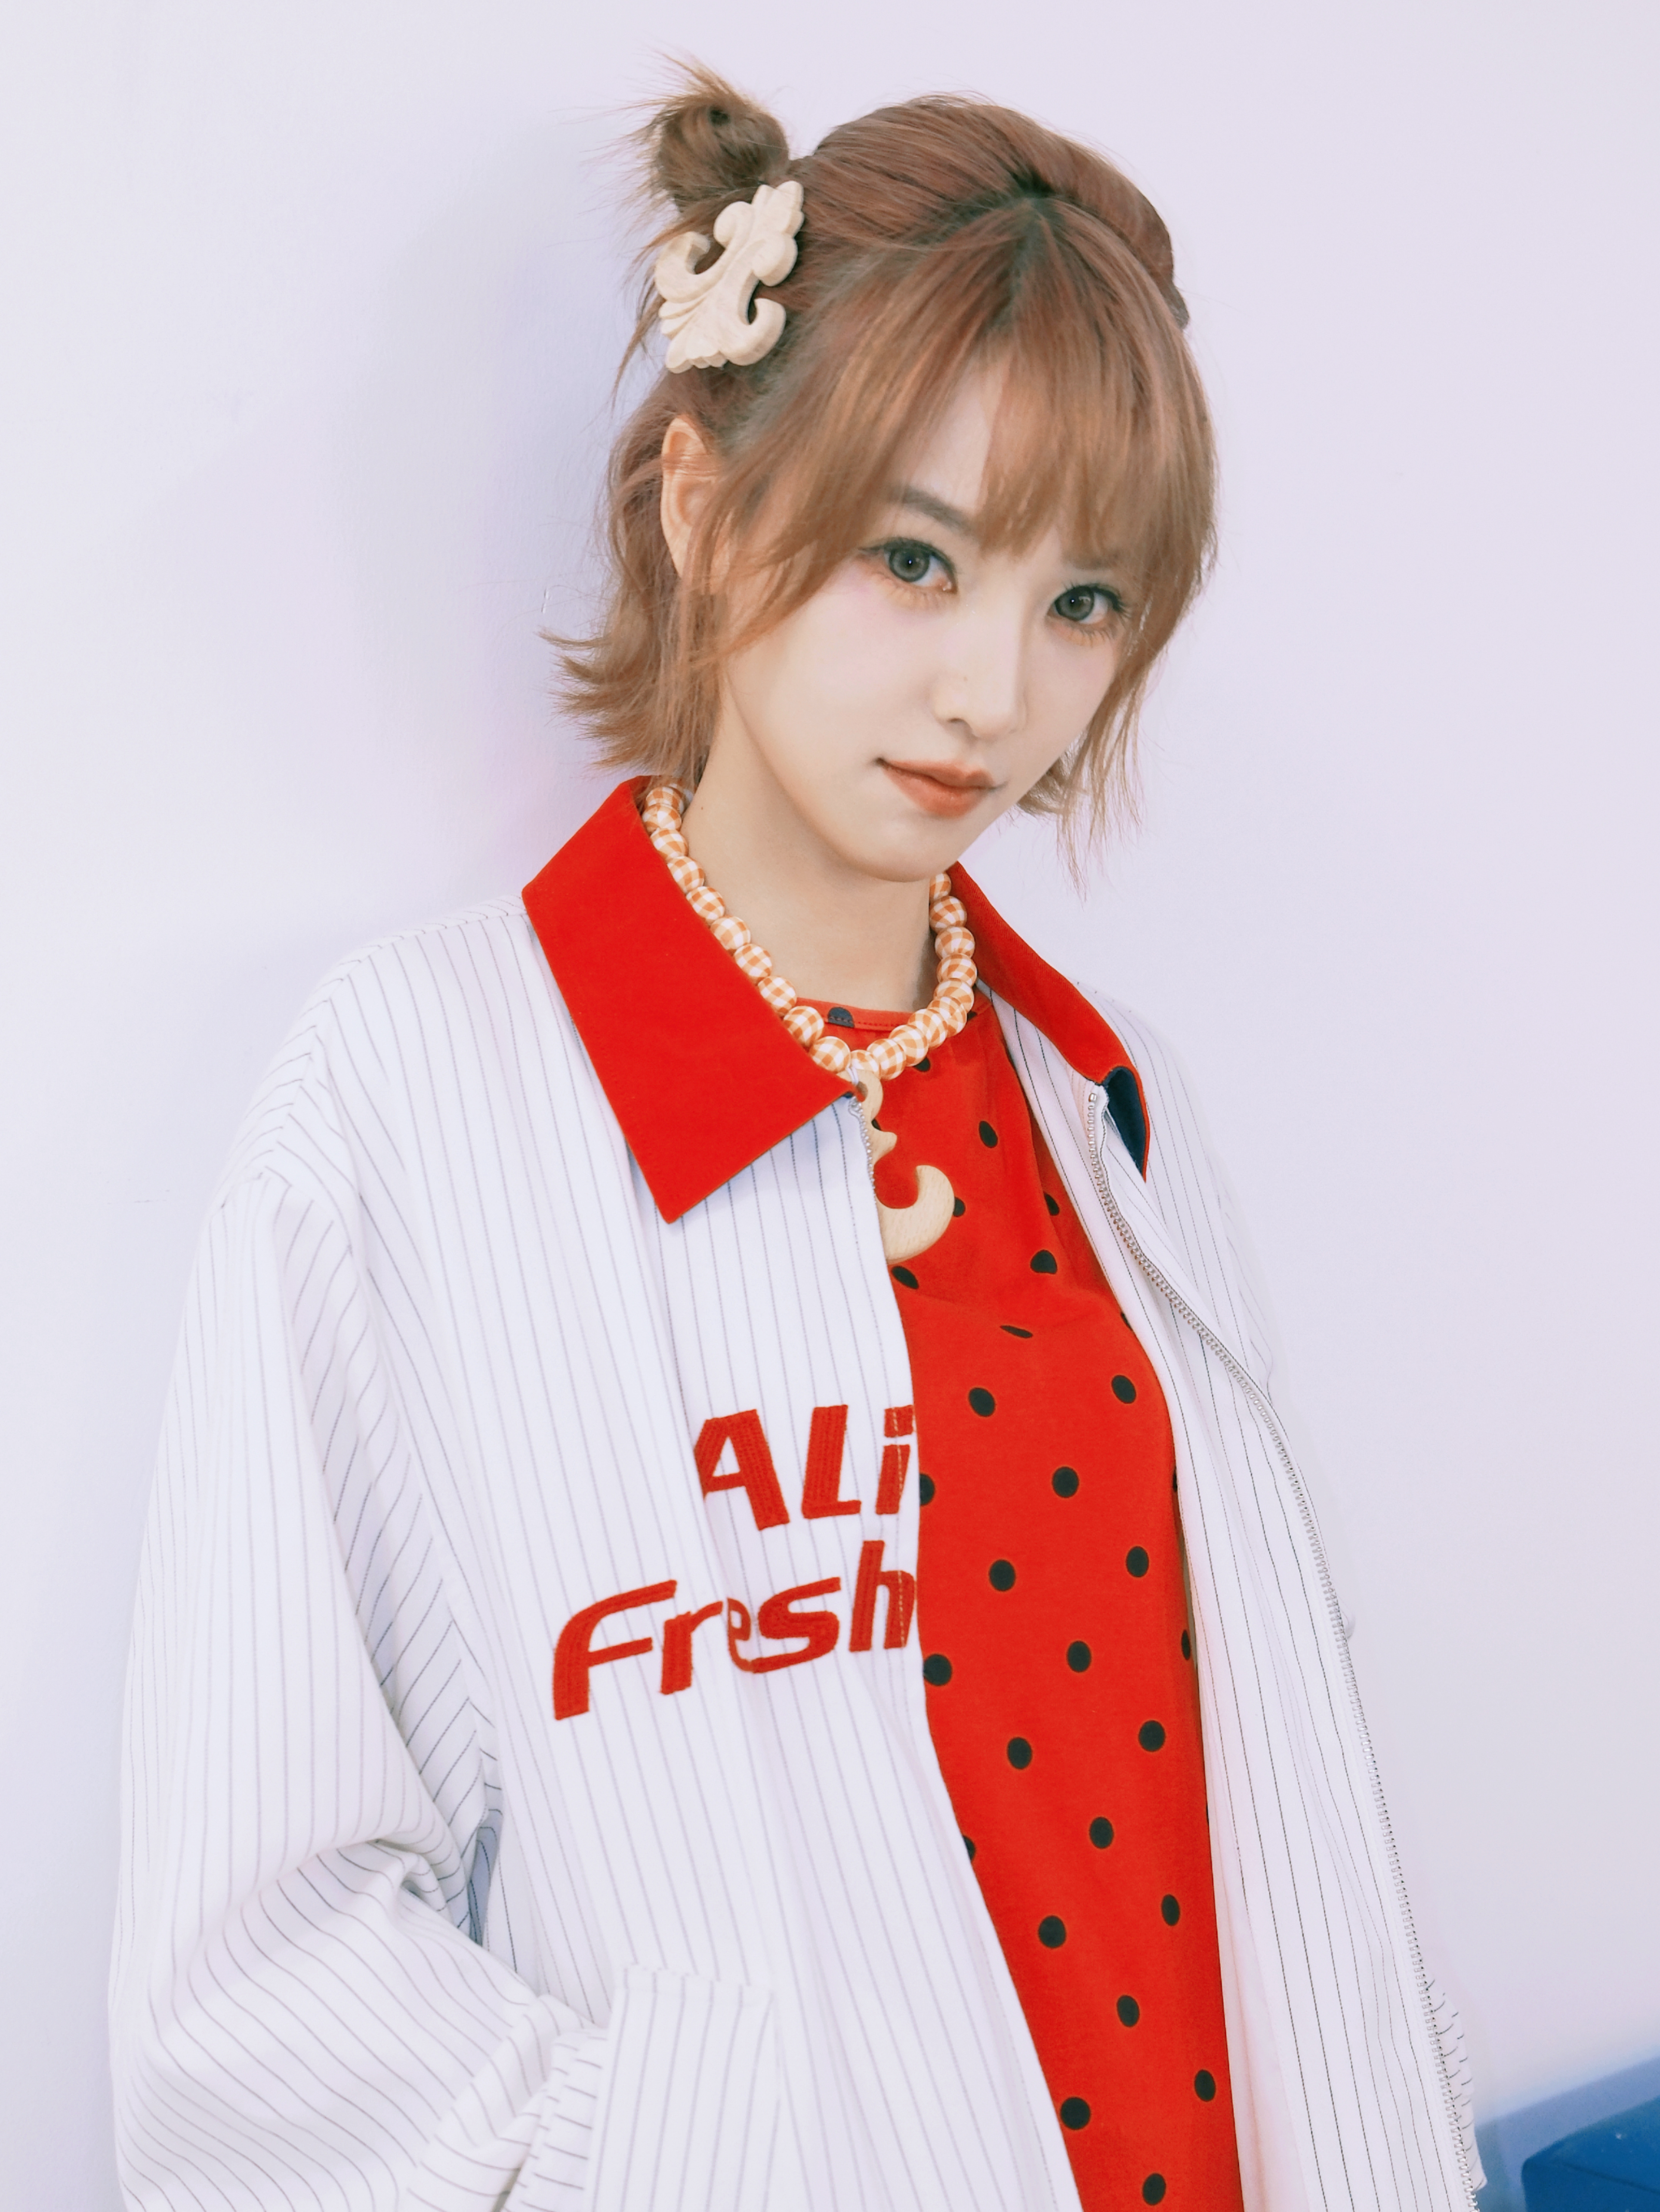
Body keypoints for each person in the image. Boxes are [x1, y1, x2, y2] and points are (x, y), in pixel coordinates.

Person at [110, 67, 1482, 2212]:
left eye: (1080, 602)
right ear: (704, 503)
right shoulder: (412, 1101)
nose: (992, 695)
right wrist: (687, 2153)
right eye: (912, 560)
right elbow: (248, 1991)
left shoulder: (1106, 1105)